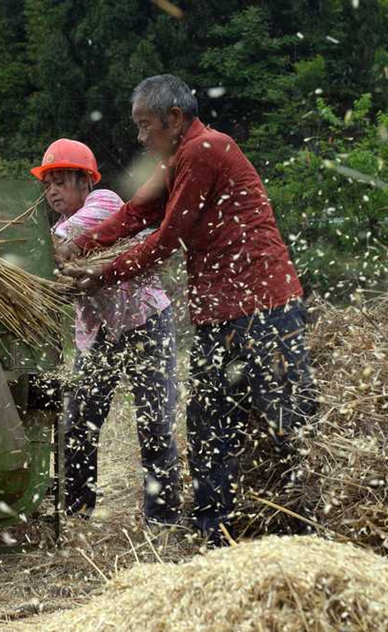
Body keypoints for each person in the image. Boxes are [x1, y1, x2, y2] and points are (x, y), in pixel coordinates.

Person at [57, 75, 316, 545]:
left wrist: (102, 273)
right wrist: (81, 245)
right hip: (219, 312)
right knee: (209, 423)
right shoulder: (178, 158)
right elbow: (136, 214)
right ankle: (213, 536)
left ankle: (307, 532)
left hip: (263, 306)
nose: (140, 138)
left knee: (286, 420)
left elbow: (166, 238)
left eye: (144, 126)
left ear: (173, 119)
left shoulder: (205, 151)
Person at [32, 138, 182, 526]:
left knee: (154, 422)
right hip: (97, 335)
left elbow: (63, 249)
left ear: (84, 181)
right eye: (47, 184)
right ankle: (77, 512)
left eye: (60, 181)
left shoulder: (105, 203)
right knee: (79, 422)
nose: (51, 191)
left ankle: (162, 520)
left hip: (145, 323)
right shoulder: (59, 228)